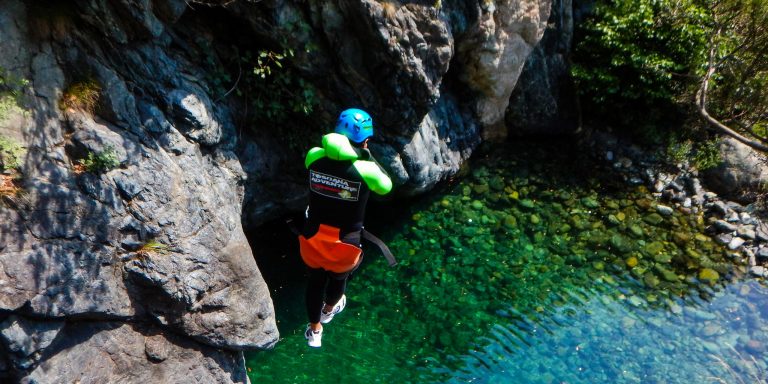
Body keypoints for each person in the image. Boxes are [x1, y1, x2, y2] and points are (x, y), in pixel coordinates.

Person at [298, 108, 393, 347]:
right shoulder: (366, 170)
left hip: (312, 239)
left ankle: (315, 330)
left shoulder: (314, 156)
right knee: (339, 278)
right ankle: (329, 310)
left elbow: (321, 160)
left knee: (315, 282)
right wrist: (366, 157)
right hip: (344, 245)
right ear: (365, 141)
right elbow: (386, 187)